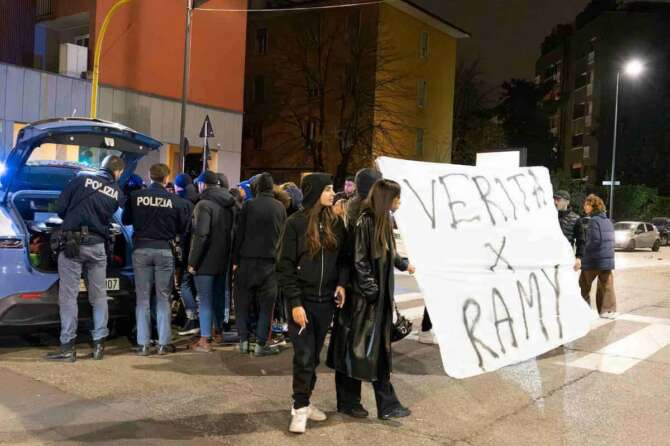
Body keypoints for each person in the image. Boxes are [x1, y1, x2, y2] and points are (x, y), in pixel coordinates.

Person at [328, 179, 415, 420]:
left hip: (372, 300)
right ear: (386, 198)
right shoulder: (365, 221)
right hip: (364, 301)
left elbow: (388, 251)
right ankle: (369, 403)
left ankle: (378, 404)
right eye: (396, 197)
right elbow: (360, 261)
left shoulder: (382, 220)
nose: (399, 201)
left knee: (364, 352)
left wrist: (404, 264)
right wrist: (373, 292)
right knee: (359, 352)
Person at [277, 173, 348, 434]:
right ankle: (299, 407)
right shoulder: (295, 223)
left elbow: (343, 260)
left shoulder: (336, 223)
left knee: (313, 357)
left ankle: (305, 402)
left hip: (324, 303)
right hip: (302, 302)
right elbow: (284, 266)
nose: (333, 193)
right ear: (315, 191)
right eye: (328, 189)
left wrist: (341, 283)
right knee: (304, 357)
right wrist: (294, 302)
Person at [47, 155, 125, 362]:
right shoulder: (117, 192)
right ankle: (99, 346)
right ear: (118, 172)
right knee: (99, 296)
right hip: (98, 246)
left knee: (69, 296)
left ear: (101, 166)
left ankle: (67, 347)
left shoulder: (80, 180)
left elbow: (60, 208)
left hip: (72, 246)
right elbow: (110, 216)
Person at [122, 164, 191, 355]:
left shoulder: (135, 197)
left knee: (142, 299)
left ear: (149, 176)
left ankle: (143, 344)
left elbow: (126, 220)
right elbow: (182, 229)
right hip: (164, 250)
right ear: (166, 177)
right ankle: (163, 343)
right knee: (163, 298)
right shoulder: (176, 201)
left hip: (141, 250)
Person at [233, 172, 287, 356]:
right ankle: (261, 344)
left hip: (247, 261)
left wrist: (235, 260)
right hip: (270, 263)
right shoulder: (280, 207)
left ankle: (243, 341)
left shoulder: (249, 205)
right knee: (266, 306)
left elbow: (239, 234)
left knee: (243, 303)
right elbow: (282, 237)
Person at [187, 171, 236, 352]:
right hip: (223, 259)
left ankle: (204, 340)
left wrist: (193, 261)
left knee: (205, 300)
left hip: (206, 260)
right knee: (217, 298)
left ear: (202, 185)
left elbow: (202, 235)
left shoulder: (204, 204)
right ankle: (218, 333)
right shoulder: (230, 204)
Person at [579, 194, 617, 318]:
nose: (584, 207)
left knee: (583, 285)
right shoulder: (608, 221)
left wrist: (584, 255)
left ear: (592, 206)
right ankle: (607, 311)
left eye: (586, 204)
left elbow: (594, 240)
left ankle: (584, 309)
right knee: (606, 286)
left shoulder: (594, 221)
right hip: (607, 260)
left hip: (594, 260)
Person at [174, 173, 200, 336]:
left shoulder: (181, 202)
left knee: (184, 284)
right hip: (198, 250)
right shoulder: (198, 199)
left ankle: (192, 319)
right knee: (194, 286)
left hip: (187, 249)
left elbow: (181, 229)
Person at [554, 190, 585, 271]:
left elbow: (581, 240)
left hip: (566, 258)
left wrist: (579, 258)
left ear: (567, 202)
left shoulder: (576, 218)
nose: (556, 202)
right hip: (550, 258)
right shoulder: (550, 216)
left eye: (558, 199)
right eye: (555, 199)